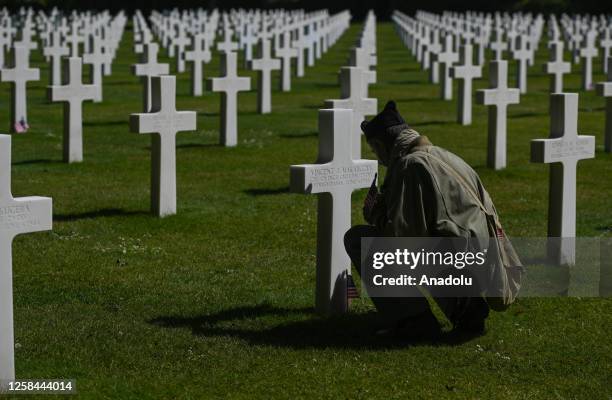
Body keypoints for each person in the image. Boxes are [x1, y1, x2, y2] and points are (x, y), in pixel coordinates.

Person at [345, 100, 503, 338]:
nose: (377, 158)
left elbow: (404, 237)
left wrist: (376, 215)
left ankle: (413, 321)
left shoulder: (410, 165)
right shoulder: (443, 154)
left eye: (375, 150)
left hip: (458, 257)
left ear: (381, 144)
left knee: (359, 239)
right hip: (482, 256)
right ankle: (465, 306)